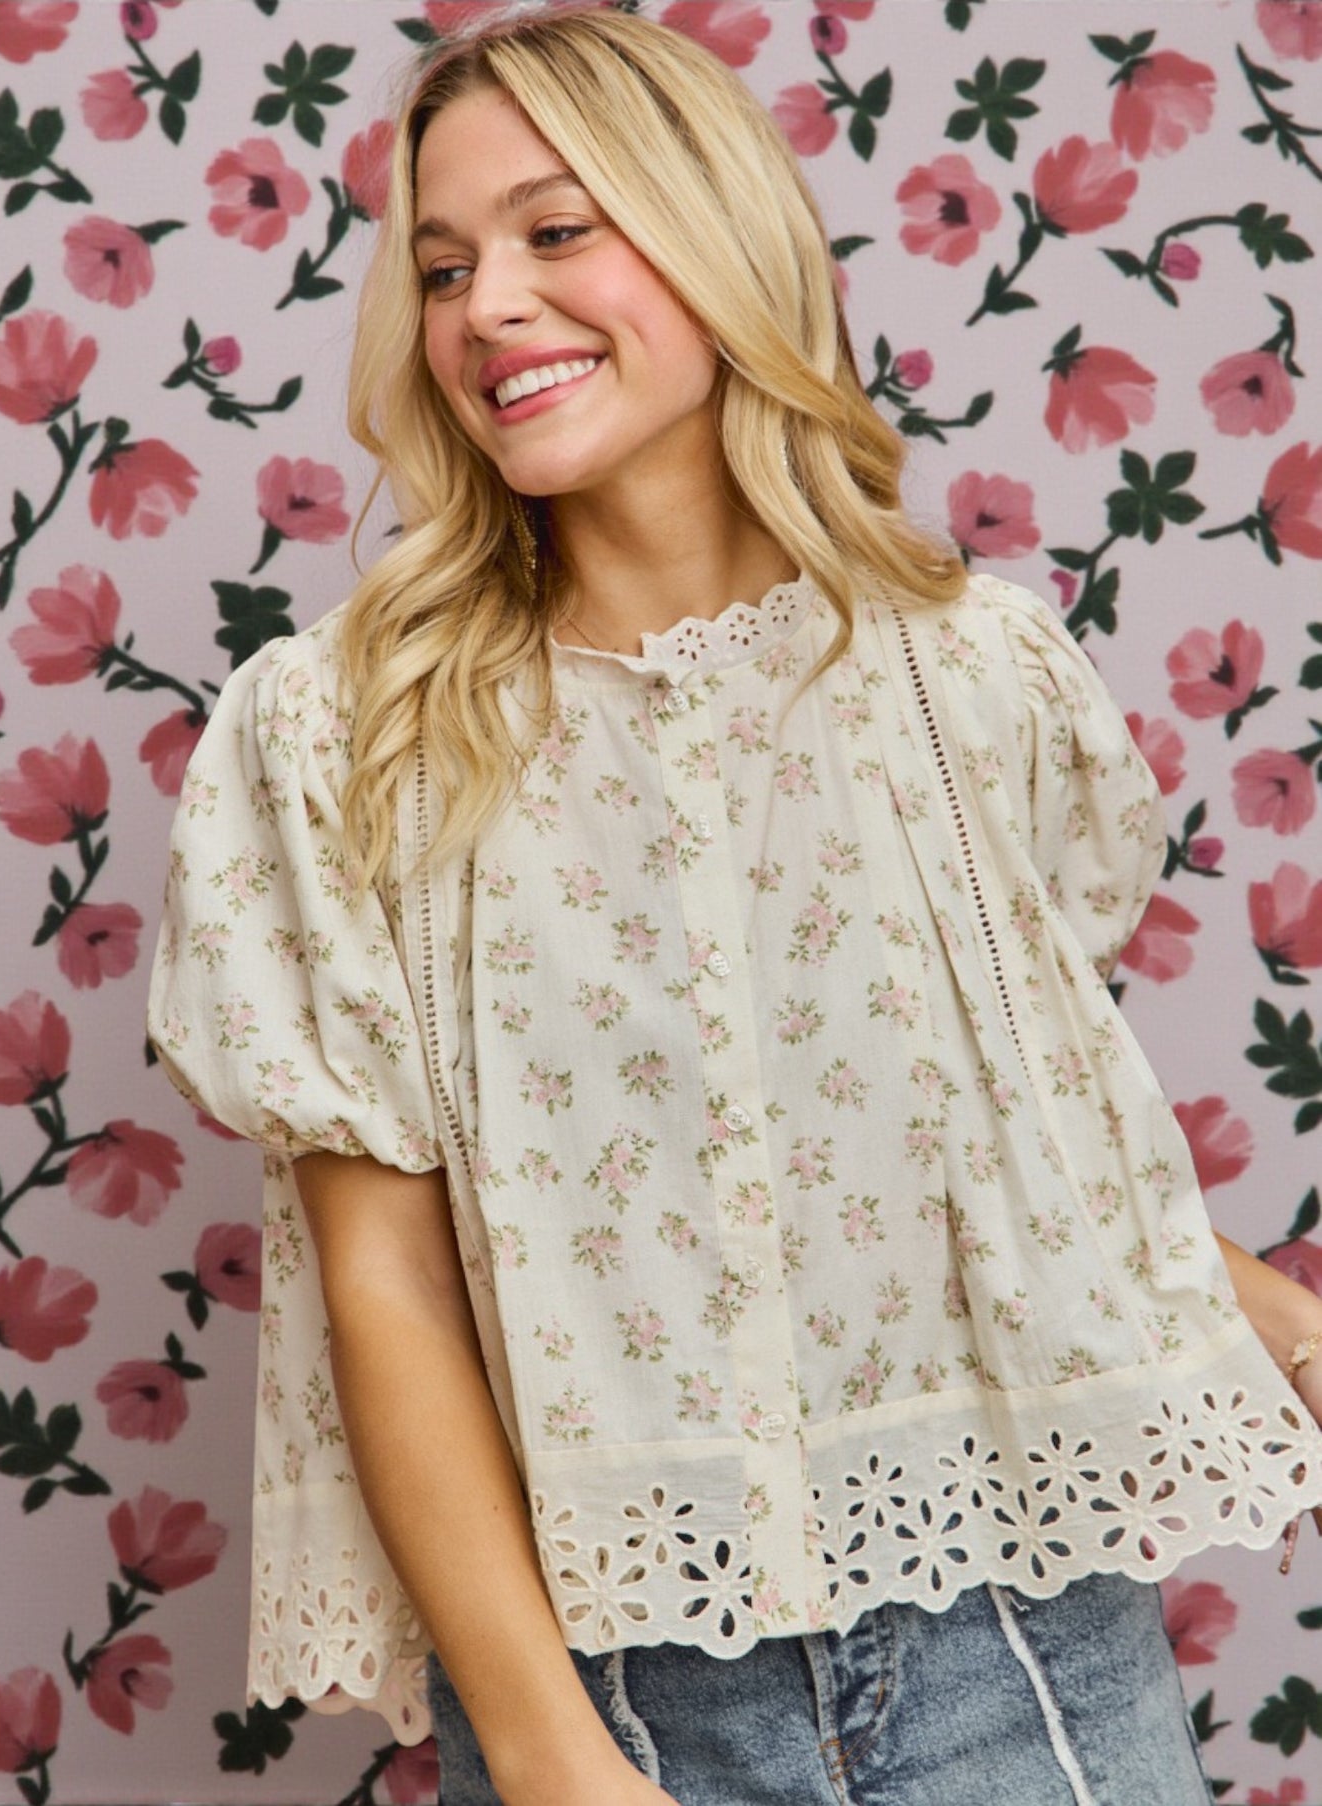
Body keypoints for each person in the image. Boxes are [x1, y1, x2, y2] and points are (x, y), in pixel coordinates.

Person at [147, 9, 1322, 1803]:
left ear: (714, 238)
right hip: (603, 1691)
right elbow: (381, 1280)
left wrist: (1281, 1318)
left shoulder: (966, 676)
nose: (487, 308)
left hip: (1020, 1646)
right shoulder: (338, 735)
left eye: (557, 231)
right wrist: (554, 1760)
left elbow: (1011, 1157)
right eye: (443, 263)